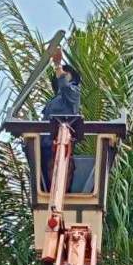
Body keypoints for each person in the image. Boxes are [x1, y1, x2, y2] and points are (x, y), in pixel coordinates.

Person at [39, 48, 82, 188]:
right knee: (45, 180)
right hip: (45, 145)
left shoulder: (73, 92)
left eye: (65, 72)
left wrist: (58, 64)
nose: (62, 73)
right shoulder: (53, 101)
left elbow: (64, 85)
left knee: (57, 177)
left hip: (59, 145)